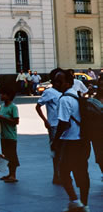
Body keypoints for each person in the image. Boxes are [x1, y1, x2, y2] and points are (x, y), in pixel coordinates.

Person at [52, 70, 90, 212]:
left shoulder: (64, 99)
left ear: (68, 83)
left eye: (59, 81)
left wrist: (55, 142)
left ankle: (75, 201)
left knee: (63, 172)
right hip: (83, 140)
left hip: (70, 141)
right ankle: (84, 203)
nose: (56, 84)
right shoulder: (77, 95)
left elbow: (63, 123)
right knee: (82, 173)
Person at [35, 68, 63, 184]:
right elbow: (38, 106)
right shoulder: (49, 92)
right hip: (54, 125)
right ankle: (57, 175)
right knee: (56, 150)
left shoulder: (63, 92)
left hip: (63, 125)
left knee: (63, 151)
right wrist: (45, 120)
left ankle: (62, 174)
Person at [0, 86, 20, 183]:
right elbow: (0, 117)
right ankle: (10, 174)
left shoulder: (13, 107)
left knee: (12, 155)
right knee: (6, 155)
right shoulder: (2, 106)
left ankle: (13, 175)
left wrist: (3, 118)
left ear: (9, 96)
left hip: (11, 136)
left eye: (3, 94)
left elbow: (16, 121)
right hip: (3, 135)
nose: (1, 96)